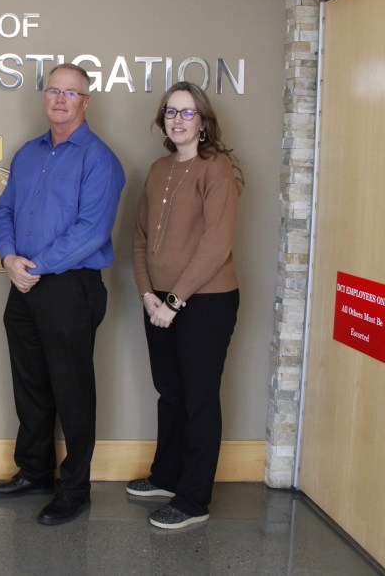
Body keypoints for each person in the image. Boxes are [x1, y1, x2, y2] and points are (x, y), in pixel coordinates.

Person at [0, 63, 126, 525]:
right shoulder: (29, 154)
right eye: (54, 91)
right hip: (22, 283)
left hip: (69, 287)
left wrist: (36, 267)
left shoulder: (99, 159)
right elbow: (2, 212)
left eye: (72, 93)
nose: (61, 99)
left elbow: (91, 232)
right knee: (30, 386)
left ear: (87, 102)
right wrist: (9, 259)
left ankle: (76, 488)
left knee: (73, 391)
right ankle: (35, 471)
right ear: (45, 98)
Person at [128, 81, 243, 529]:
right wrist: (147, 293)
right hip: (157, 302)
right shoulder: (157, 169)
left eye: (187, 113)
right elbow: (139, 237)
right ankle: (166, 475)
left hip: (206, 303)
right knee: (170, 392)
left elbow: (216, 245)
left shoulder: (217, 169)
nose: (177, 119)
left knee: (199, 398)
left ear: (203, 121)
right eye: (170, 112)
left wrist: (173, 302)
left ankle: (194, 499)